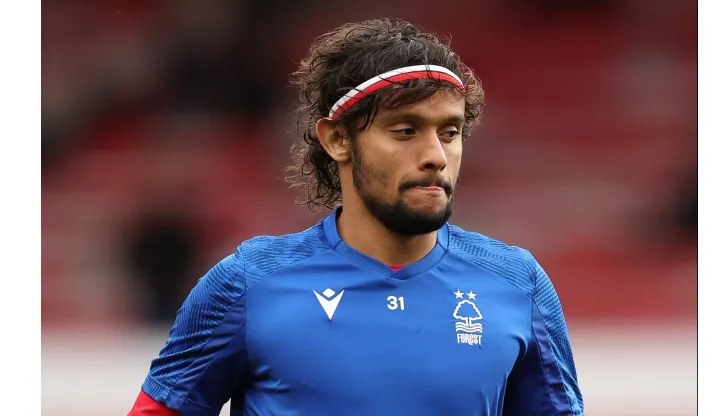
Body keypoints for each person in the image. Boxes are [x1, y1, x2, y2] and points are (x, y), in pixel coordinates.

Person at [128, 18, 584, 416]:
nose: (435, 156)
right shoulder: (247, 284)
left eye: (450, 132)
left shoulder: (518, 285)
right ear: (337, 140)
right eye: (405, 131)